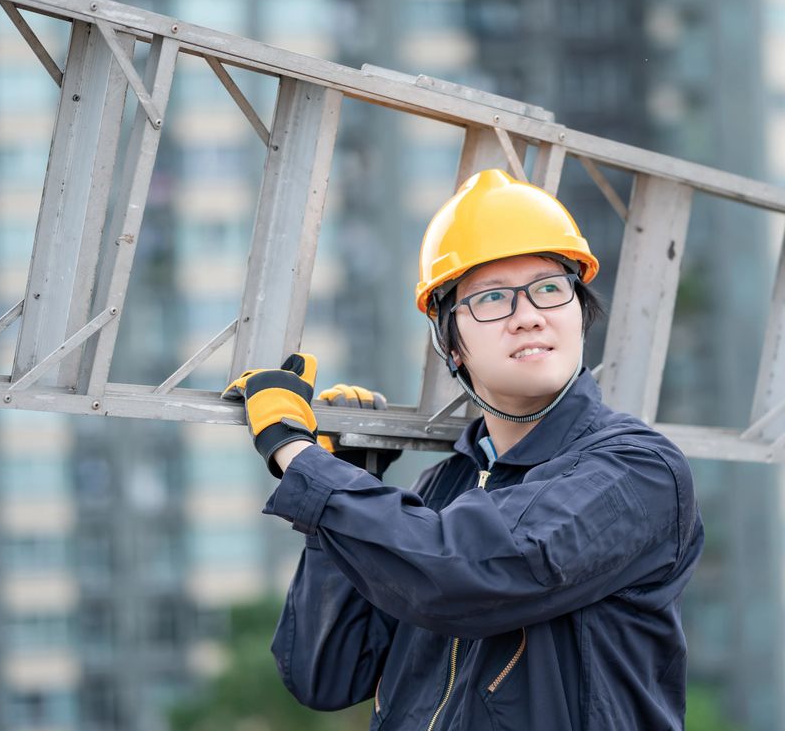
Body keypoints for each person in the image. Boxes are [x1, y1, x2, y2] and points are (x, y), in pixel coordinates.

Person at [222, 168, 704, 730]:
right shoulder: (439, 494)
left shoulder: (636, 473)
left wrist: (297, 457)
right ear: (451, 344)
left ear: (579, 309)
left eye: (550, 287)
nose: (528, 315)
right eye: (493, 299)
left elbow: (469, 572)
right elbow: (325, 674)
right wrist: (345, 497)